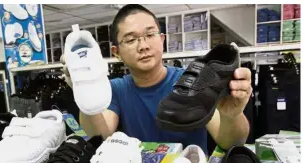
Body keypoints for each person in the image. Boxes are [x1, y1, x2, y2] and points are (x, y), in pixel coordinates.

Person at [61, 4, 252, 154]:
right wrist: (84, 91)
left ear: (162, 39)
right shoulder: (114, 89)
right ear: (116, 52)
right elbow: (100, 137)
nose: (143, 45)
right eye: (130, 39)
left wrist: (232, 115)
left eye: (150, 34)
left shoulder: (194, 82)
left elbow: (232, 142)